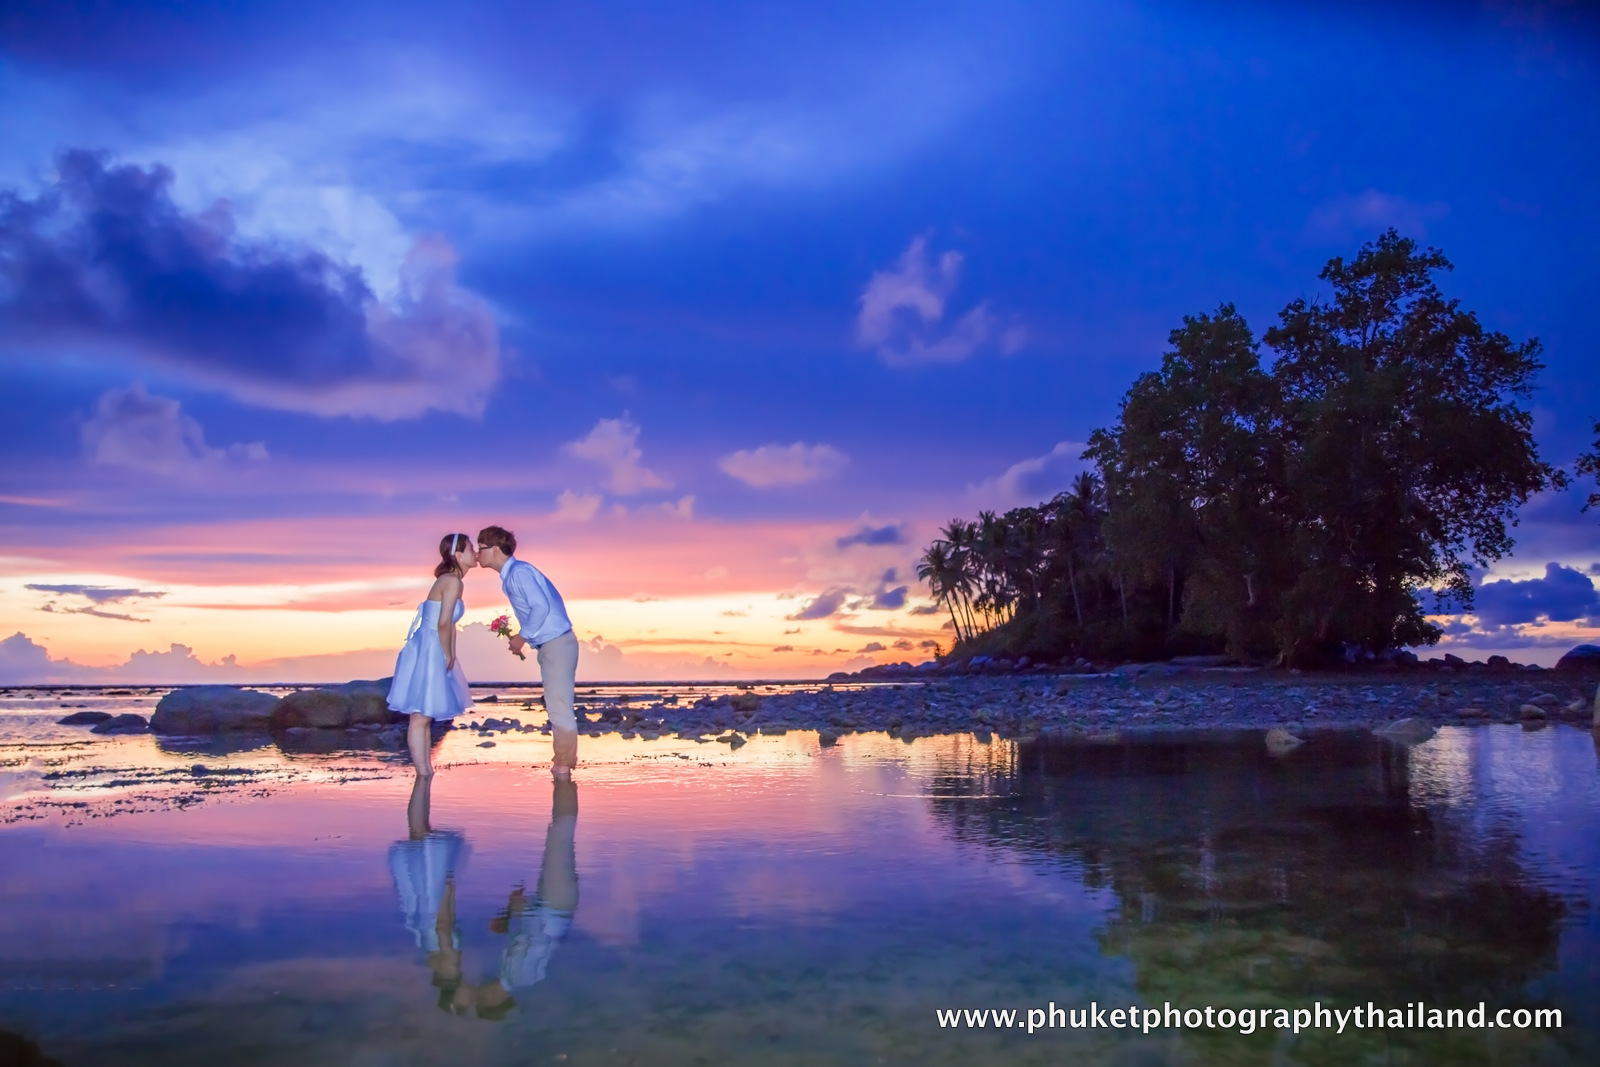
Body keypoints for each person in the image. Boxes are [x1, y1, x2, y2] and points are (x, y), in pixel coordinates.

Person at [476, 525, 579, 778]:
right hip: (553, 644)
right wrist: (525, 637)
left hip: (556, 643)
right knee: (556, 705)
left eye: (482, 548)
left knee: (559, 707)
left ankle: (564, 766)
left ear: (496, 550)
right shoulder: (514, 575)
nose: (478, 554)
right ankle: (561, 762)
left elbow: (540, 607)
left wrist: (522, 636)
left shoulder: (519, 573)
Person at [387, 533, 477, 775]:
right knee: (420, 714)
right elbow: (443, 623)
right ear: (459, 555)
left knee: (424, 714)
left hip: (435, 644)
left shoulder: (456, 581)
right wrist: (447, 653)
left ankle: (425, 770)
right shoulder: (452, 581)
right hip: (429, 645)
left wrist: (452, 654)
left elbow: (451, 623)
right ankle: (423, 772)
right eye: (471, 548)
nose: (475, 551)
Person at [492, 778, 579, 995]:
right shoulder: (521, 978)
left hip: (550, 904)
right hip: (555, 907)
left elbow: (528, 938)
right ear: (493, 1002)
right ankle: (564, 775)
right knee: (560, 835)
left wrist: (515, 912)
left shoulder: (510, 975)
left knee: (559, 835)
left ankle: (564, 777)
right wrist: (523, 910)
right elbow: (539, 941)